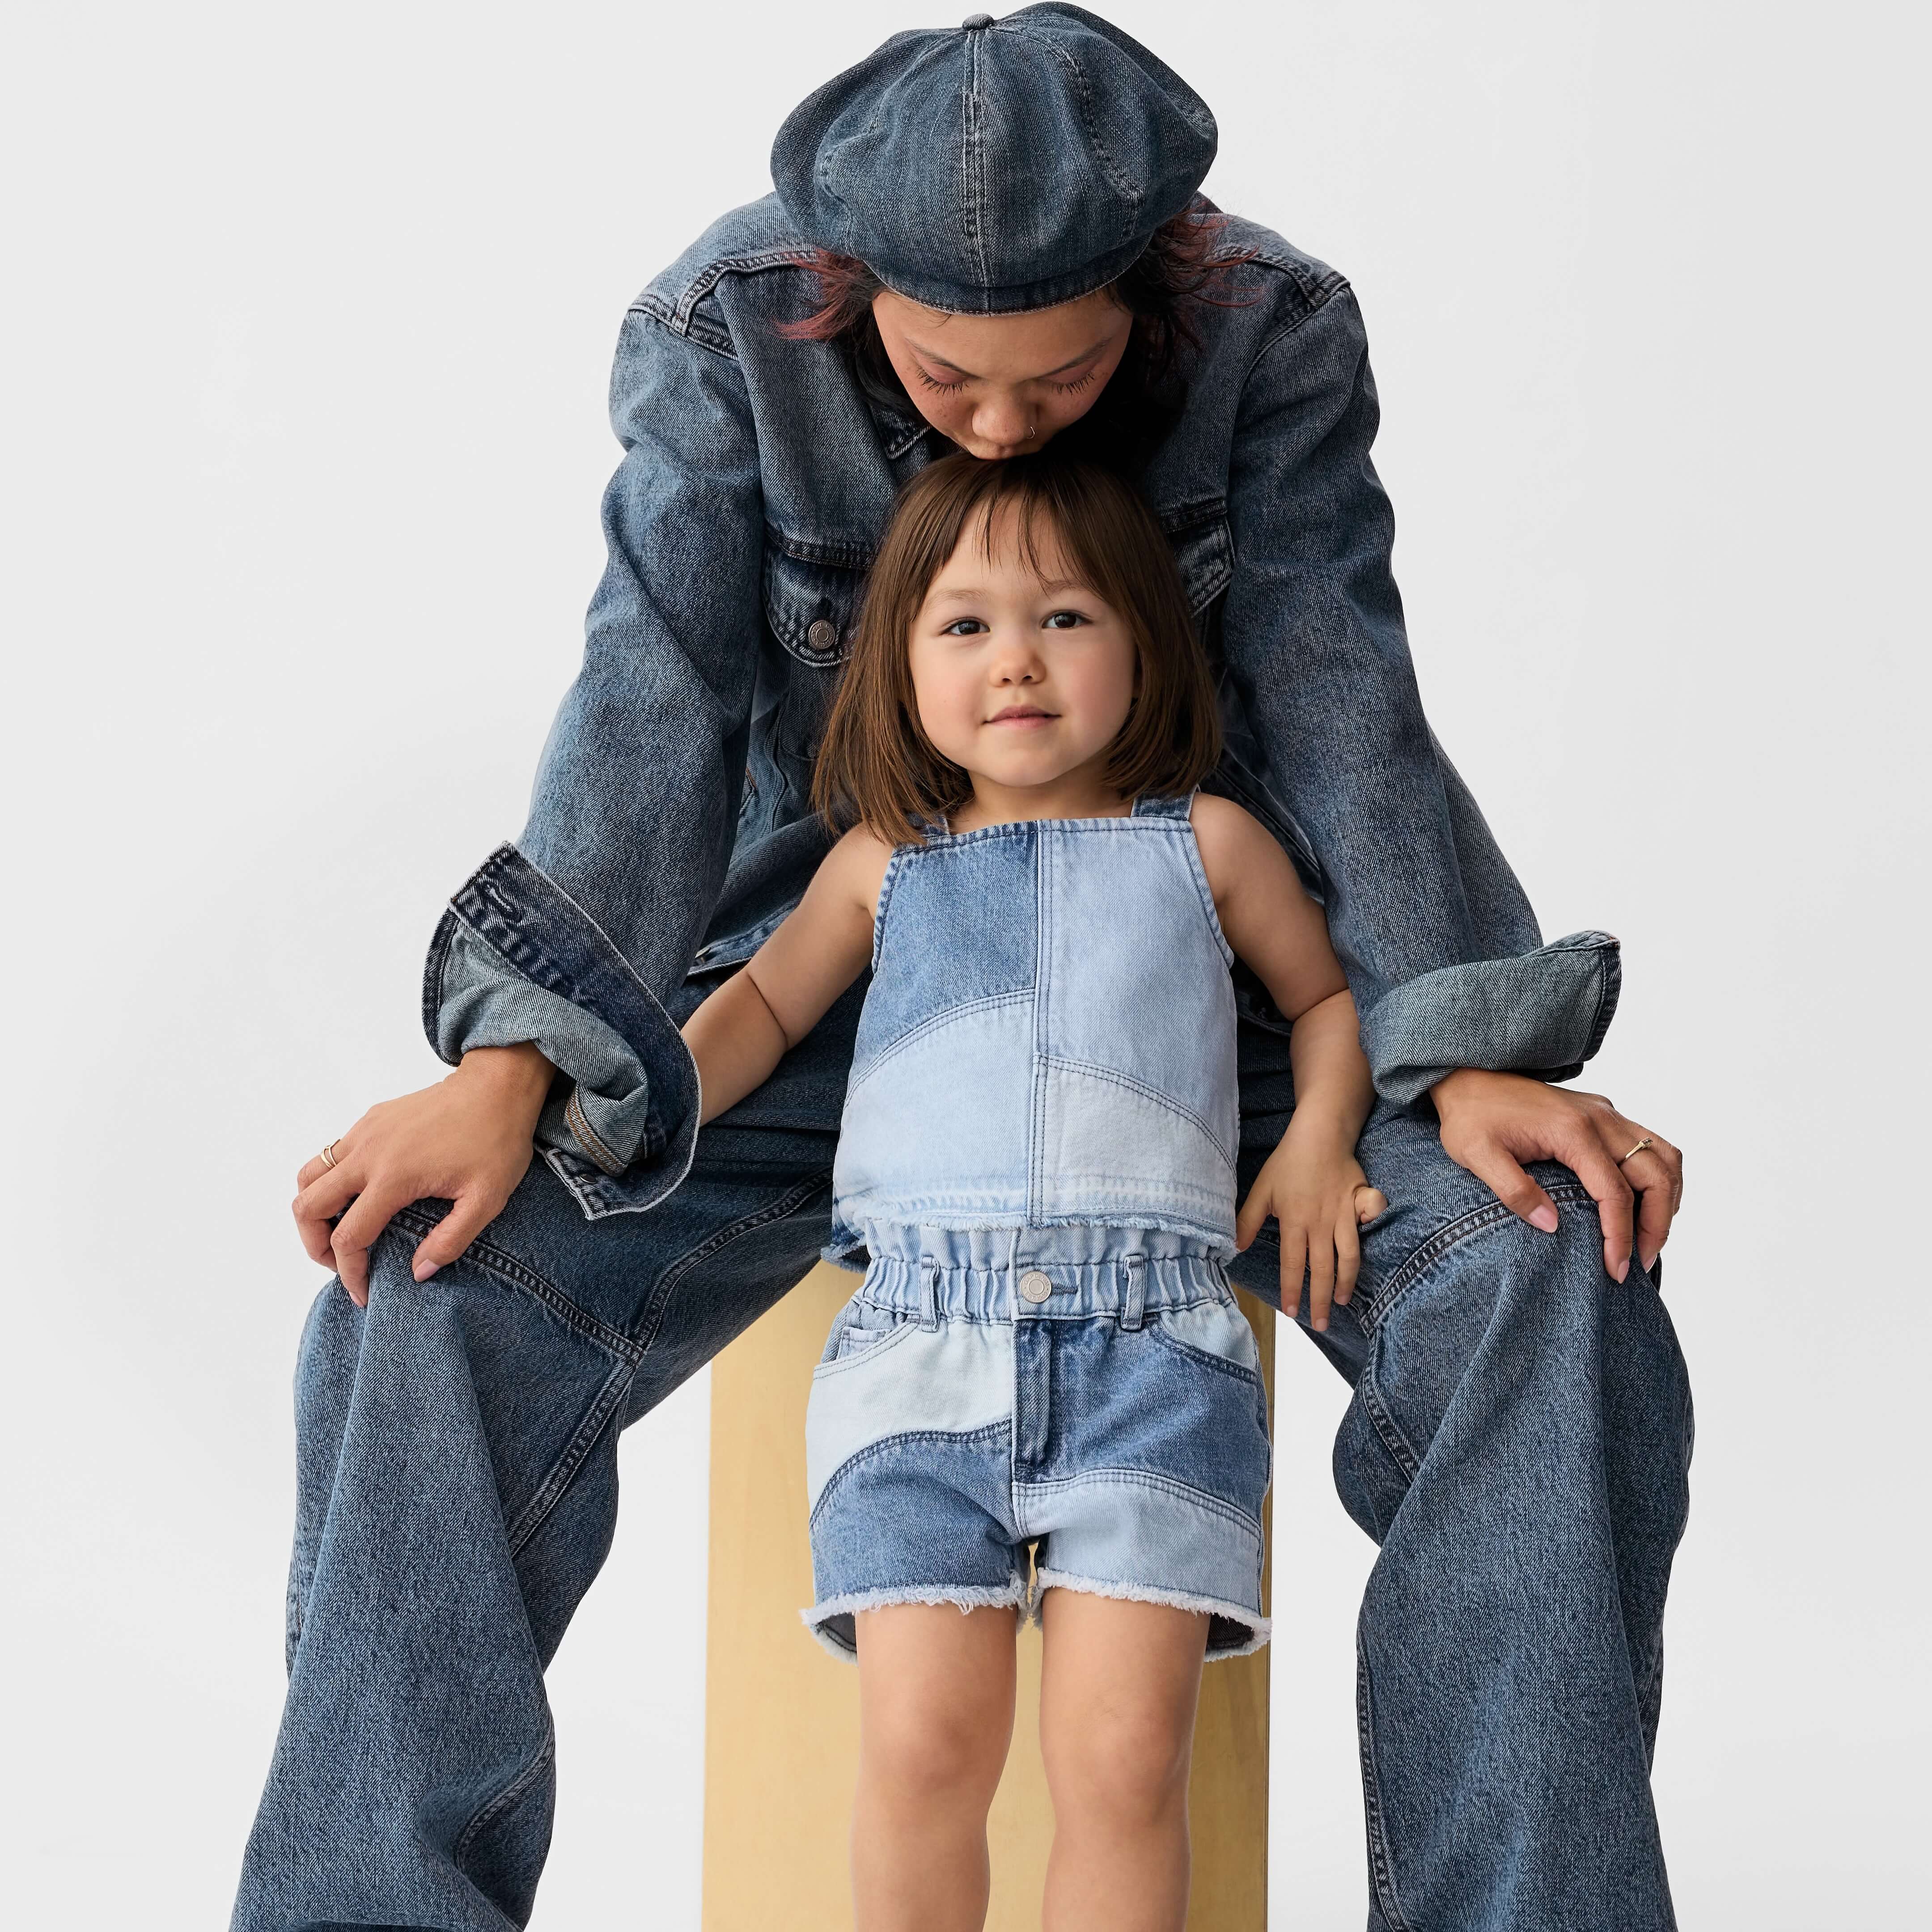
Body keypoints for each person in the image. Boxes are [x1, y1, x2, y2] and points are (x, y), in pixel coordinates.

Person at [235, 9, 1691, 1931]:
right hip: (815, 1013)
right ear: (847, 292)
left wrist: (1460, 1041)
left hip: (1207, 1019)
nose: (1001, 429)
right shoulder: (726, 329)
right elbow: (648, 696)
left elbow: (1345, 686)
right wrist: (518, 1068)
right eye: (947, 380)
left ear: (1155, 290)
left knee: (1544, 1260)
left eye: (1062, 377)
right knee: (421, 1280)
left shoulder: (1269, 329)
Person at [684, 448, 1383, 1929]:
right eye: (966, 625)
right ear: (901, 661)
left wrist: (1319, 1137)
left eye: (1065, 617)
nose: (1017, 660)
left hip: (1154, 1360)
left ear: (1146, 639)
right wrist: (642, 1098)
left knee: (1123, 1764)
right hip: (917, 1362)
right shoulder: (884, 861)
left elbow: (1327, 1004)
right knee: (923, 1751)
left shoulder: (1209, 845)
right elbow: (761, 1007)